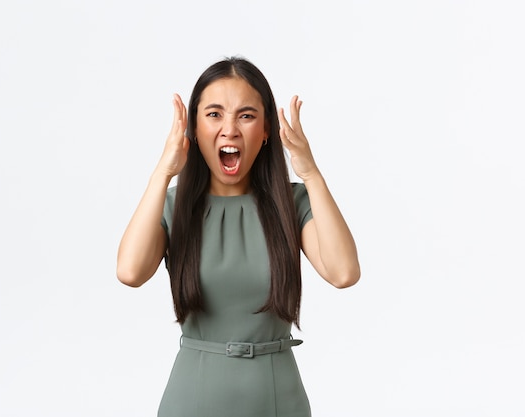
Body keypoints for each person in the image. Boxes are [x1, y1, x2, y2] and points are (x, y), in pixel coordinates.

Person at [116, 56, 360, 417]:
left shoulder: (292, 204)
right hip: (192, 399)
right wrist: (164, 172)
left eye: (245, 116)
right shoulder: (173, 206)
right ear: (194, 129)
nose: (229, 129)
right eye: (214, 114)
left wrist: (310, 173)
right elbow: (130, 272)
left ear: (265, 130)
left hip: (279, 401)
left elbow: (344, 273)